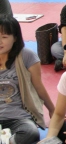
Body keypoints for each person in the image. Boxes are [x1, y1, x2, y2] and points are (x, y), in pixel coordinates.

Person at [0, 15, 55, 144]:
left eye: (4, 37)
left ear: (15, 38)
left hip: (18, 117)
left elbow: (38, 86)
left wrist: (53, 110)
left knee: (31, 133)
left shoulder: (26, 55)